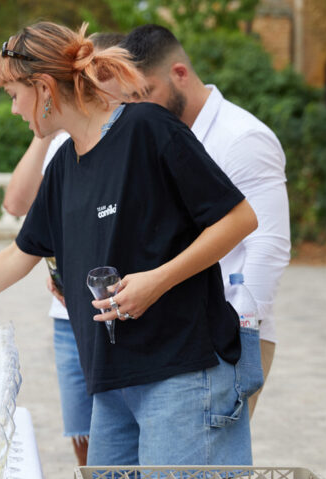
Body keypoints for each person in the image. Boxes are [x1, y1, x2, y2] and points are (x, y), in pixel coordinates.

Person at [0, 21, 258, 466]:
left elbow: (239, 218)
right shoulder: (64, 164)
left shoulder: (147, 129)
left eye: (13, 95)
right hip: (111, 381)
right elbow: (18, 255)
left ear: (44, 88)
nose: (13, 110)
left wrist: (156, 282)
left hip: (182, 372)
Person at [121, 24, 291, 417]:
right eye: (132, 99)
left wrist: (237, 339)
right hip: (174, 340)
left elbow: (269, 247)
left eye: (147, 94)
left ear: (179, 74)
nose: (141, 108)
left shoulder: (243, 137)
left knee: (211, 476)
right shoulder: (158, 133)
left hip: (227, 340)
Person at [3, 31, 124, 466]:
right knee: (86, 437)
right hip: (68, 313)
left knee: (121, 447)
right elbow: (16, 209)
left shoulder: (136, 132)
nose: (12, 108)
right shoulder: (59, 144)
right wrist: (44, 123)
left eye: (15, 95)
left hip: (124, 315)